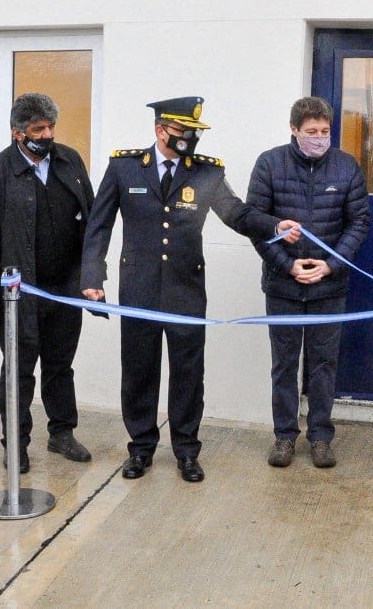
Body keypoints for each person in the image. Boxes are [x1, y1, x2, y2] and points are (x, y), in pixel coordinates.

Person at [80, 96, 295, 483]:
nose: (189, 139)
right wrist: (92, 278)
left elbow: (236, 213)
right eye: (182, 132)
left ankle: (186, 451)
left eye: (194, 132)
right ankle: (141, 448)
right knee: (139, 371)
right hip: (139, 288)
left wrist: (274, 226)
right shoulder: (124, 167)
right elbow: (99, 226)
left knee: (187, 373)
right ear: (160, 130)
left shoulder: (205, 173)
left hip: (186, 290)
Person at [0, 93, 95, 473]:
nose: (47, 134)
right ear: (17, 133)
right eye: (38, 129)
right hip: (17, 296)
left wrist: (90, 276)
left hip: (63, 290)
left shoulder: (70, 161)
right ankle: (16, 444)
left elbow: (92, 222)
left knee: (60, 365)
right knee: (19, 369)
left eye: (51, 126)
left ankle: (62, 433)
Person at [247, 97, 370, 469]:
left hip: (328, 288)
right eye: (311, 132)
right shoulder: (269, 164)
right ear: (294, 130)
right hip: (283, 286)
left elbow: (359, 222)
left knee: (323, 364)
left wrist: (330, 266)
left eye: (325, 132)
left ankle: (320, 437)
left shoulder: (347, 167)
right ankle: (284, 436)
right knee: (284, 364)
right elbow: (256, 222)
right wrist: (288, 266)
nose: (319, 138)